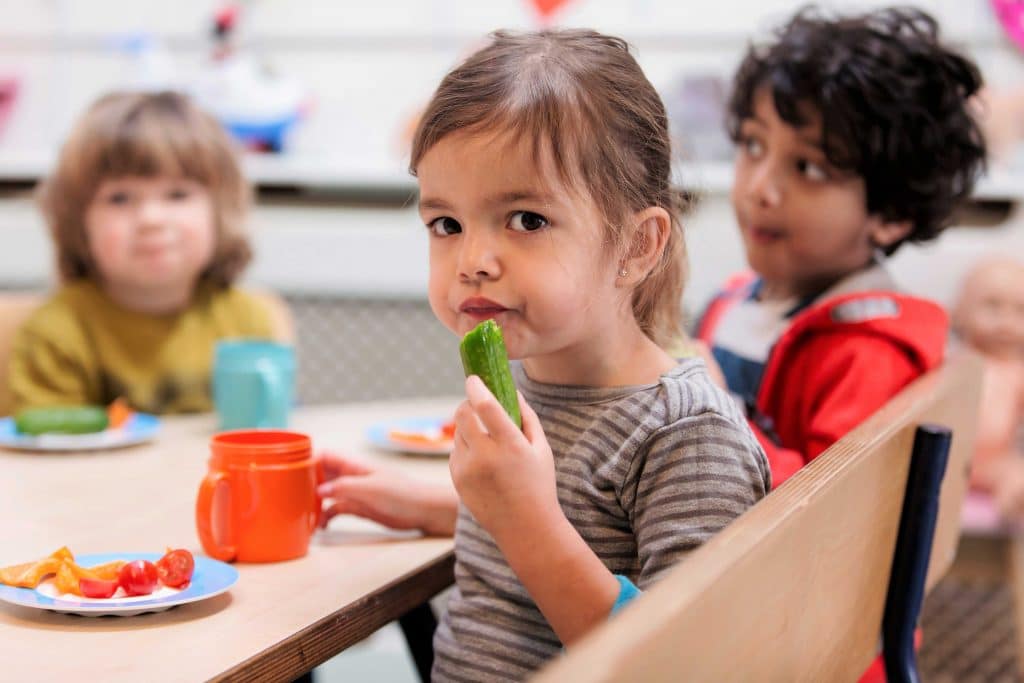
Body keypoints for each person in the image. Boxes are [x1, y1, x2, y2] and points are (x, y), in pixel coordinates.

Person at [317, 29, 770, 681]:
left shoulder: (686, 437)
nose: (472, 261)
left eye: (526, 219)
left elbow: (681, 663)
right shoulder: (530, 380)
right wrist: (432, 505)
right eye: (446, 224)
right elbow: (587, 525)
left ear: (637, 247)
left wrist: (521, 516)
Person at [695, 6, 987, 489]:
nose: (759, 188)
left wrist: (712, 412)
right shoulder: (734, 298)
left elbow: (826, 521)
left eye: (808, 168)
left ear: (891, 214)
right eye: (752, 145)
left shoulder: (869, 352)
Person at [7, 90, 284, 414]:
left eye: (177, 195)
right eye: (120, 198)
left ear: (221, 212)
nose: (151, 219)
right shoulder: (55, 334)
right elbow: (49, 455)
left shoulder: (248, 322)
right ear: (79, 222)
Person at [952, 257, 1024, 519]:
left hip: (992, 464)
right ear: (960, 311)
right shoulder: (952, 360)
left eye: (1021, 311)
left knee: (1015, 473)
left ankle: (1014, 504)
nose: (1006, 321)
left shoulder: (1017, 372)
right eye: (992, 306)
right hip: (949, 458)